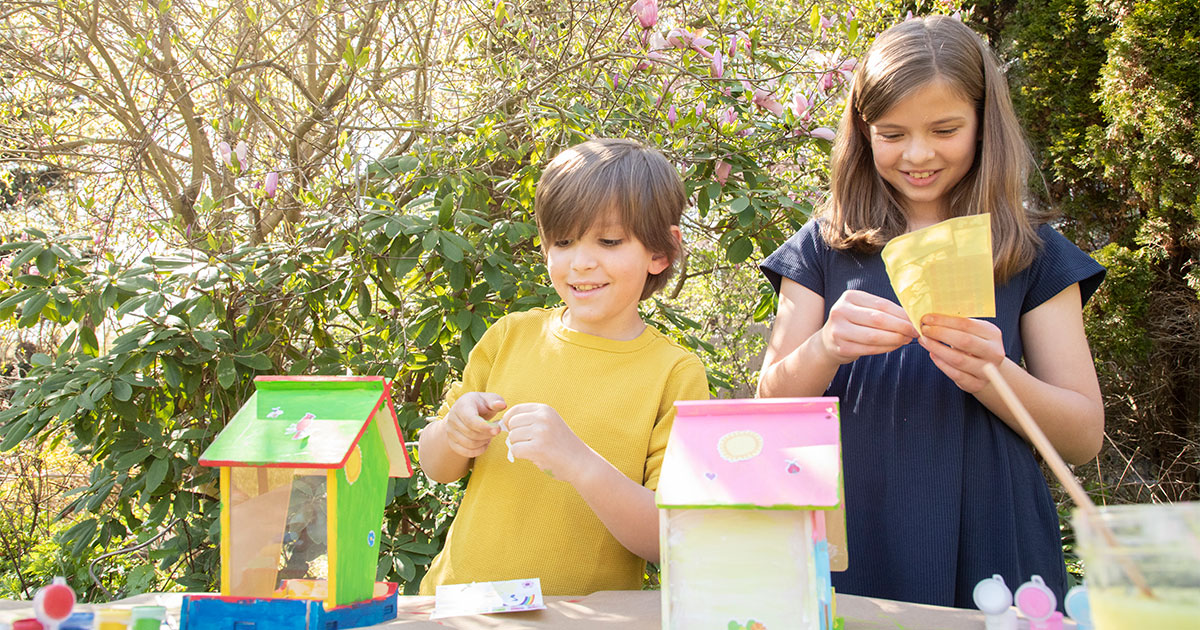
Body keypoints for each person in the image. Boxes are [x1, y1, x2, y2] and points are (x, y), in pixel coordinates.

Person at [757, 15, 1105, 609]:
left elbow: (1082, 437)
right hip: (854, 532)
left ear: (983, 125)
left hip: (996, 538)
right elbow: (768, 407)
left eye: (945, 129)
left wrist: (998, 377)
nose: (918, 154)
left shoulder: (1034, 253)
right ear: (862, 132)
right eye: (892, 134)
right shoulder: (824, 246)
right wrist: (825, 347)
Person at [417, 138, 709, 596]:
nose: (581, 261)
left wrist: (578, 462)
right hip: (460, 604)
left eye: (609, 241)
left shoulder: (674, 373)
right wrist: (454, 431)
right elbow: (437, 466)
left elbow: (669, 539)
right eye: (564, 241)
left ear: (661, 251)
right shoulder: (509, 335)